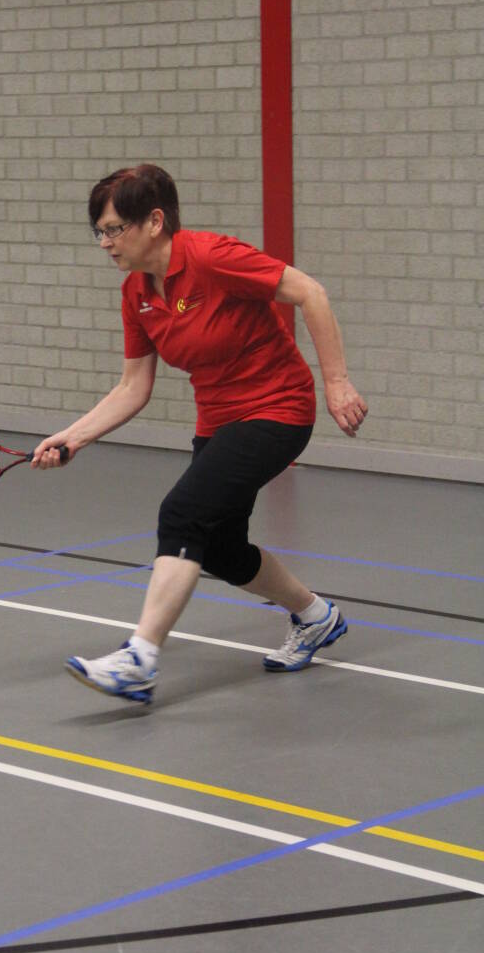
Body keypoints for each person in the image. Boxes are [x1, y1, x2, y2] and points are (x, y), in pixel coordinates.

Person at [32, 164, 367, 705]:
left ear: (154, 221)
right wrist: (72, 437)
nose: (105, 242)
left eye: (115, 229)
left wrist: (337, 382)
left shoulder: (212, 257)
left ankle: (140, 658)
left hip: (277, 408)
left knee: (183, 514)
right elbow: (132, 387)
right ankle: (315, 617)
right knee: (219, 550)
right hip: (217, 419)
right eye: (100, 231)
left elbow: (310, 292)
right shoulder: (136, 294)